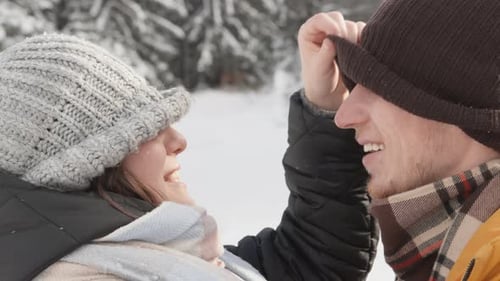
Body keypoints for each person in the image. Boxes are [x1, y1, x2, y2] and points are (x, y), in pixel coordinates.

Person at [0, 33, 377, 280]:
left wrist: (325, 110)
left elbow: (305, 265)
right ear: (83, 165)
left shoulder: (148, 261)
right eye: (144, 130)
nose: (177, 140)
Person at [297, 0, 500, 280]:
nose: (342, 118)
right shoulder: (452, 257)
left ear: (461, 106)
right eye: (355, 82)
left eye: (381, 85)